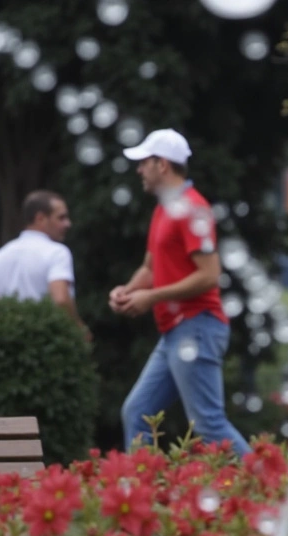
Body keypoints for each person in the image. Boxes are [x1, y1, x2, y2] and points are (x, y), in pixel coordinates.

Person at [110, 128, 252, 456]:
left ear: (162, 165)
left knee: (208, 424)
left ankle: (273, 487)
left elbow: (209, 276)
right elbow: (149, 267)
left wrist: (152, 297)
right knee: (137, 413)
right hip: (177, 331)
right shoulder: (165, 209)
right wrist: (128, 291)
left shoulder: (191, 208)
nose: (138, 170)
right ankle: (143, 498)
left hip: (197, 327)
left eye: (144, 162)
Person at [0, 190, 91, 341]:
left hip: (6, 344)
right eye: (61, 218)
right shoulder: (57, 253)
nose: (68, 224)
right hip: (46, 342)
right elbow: (61, 300)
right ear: (40, 219)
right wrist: (79, 329)